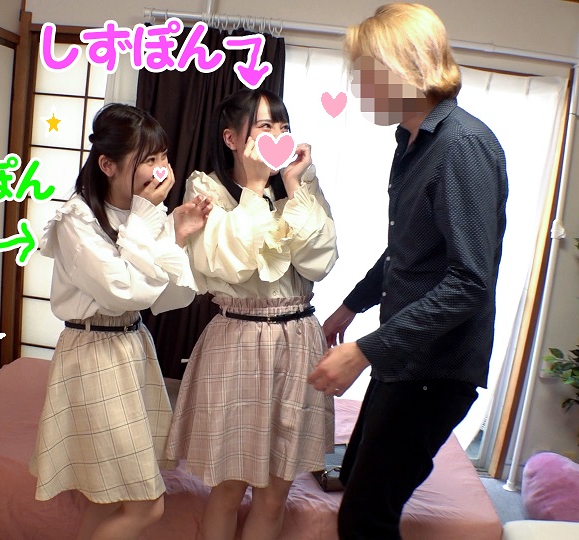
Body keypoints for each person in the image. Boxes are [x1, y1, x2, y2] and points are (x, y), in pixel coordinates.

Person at [307, 4, 508, 539]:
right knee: (353, 481)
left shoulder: (462, 146)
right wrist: (351, 306)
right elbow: (406, 251)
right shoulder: (412, 142)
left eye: (365, 72)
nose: (357, 86)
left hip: (435, 369)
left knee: (365, 518)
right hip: (406, 359)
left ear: (404, 67)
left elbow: (470, 282)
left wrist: (364, 350)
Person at [30, 103, 212, 540]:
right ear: (107, 164)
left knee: (107, 496)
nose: (161, 170)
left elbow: (170, 296)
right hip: (94, 352)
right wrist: (154, 223)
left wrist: (174, 233)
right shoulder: (77, 219)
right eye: (148, 159)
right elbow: (123, 291)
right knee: (147, 506)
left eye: (163, 156)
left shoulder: (140, 216)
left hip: (131, 346)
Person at [165, 89, 338, 540]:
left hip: (299, 340)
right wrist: (256, 186)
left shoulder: (302, 189)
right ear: (231, 138)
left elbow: (319, 261)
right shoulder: (207, 190)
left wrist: (295, 185)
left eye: (283, 127)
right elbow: (232, 262)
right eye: (265, 127)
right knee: (227, 490)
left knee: (275, 495)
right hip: (238, 338)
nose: (277, 135)